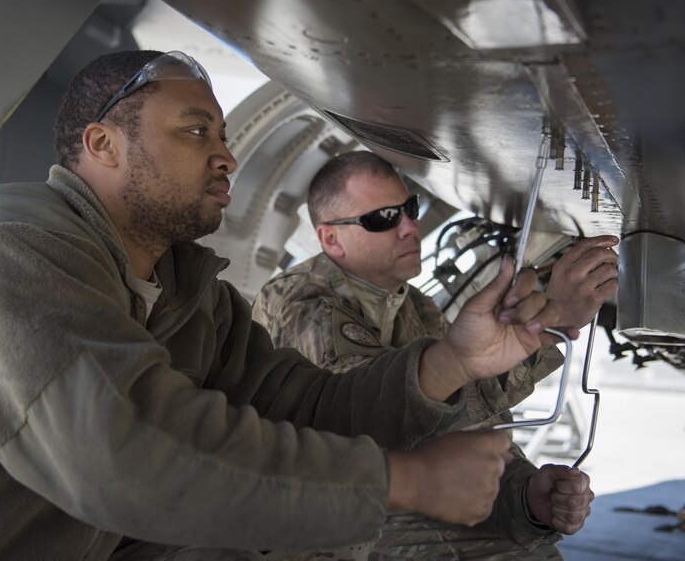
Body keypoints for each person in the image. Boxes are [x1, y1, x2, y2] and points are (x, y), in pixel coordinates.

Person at [0, 50, 575, 561]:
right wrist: (405, 479)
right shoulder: (8, 241)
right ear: (102, 145)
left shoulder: (187, 293)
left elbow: (304, 409)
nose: (226, 157)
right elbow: (120, 453)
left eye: (223, 135)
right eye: (194, 131)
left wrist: (449, 362)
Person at [253, 151, 619, 560]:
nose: (410, 227)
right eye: (382, 219)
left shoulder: (416, 306)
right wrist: (550, 324)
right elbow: (384, 417)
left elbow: (470, 423)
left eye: (409, 209)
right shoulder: (304, 305)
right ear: (331, 239)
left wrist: (526, 497)